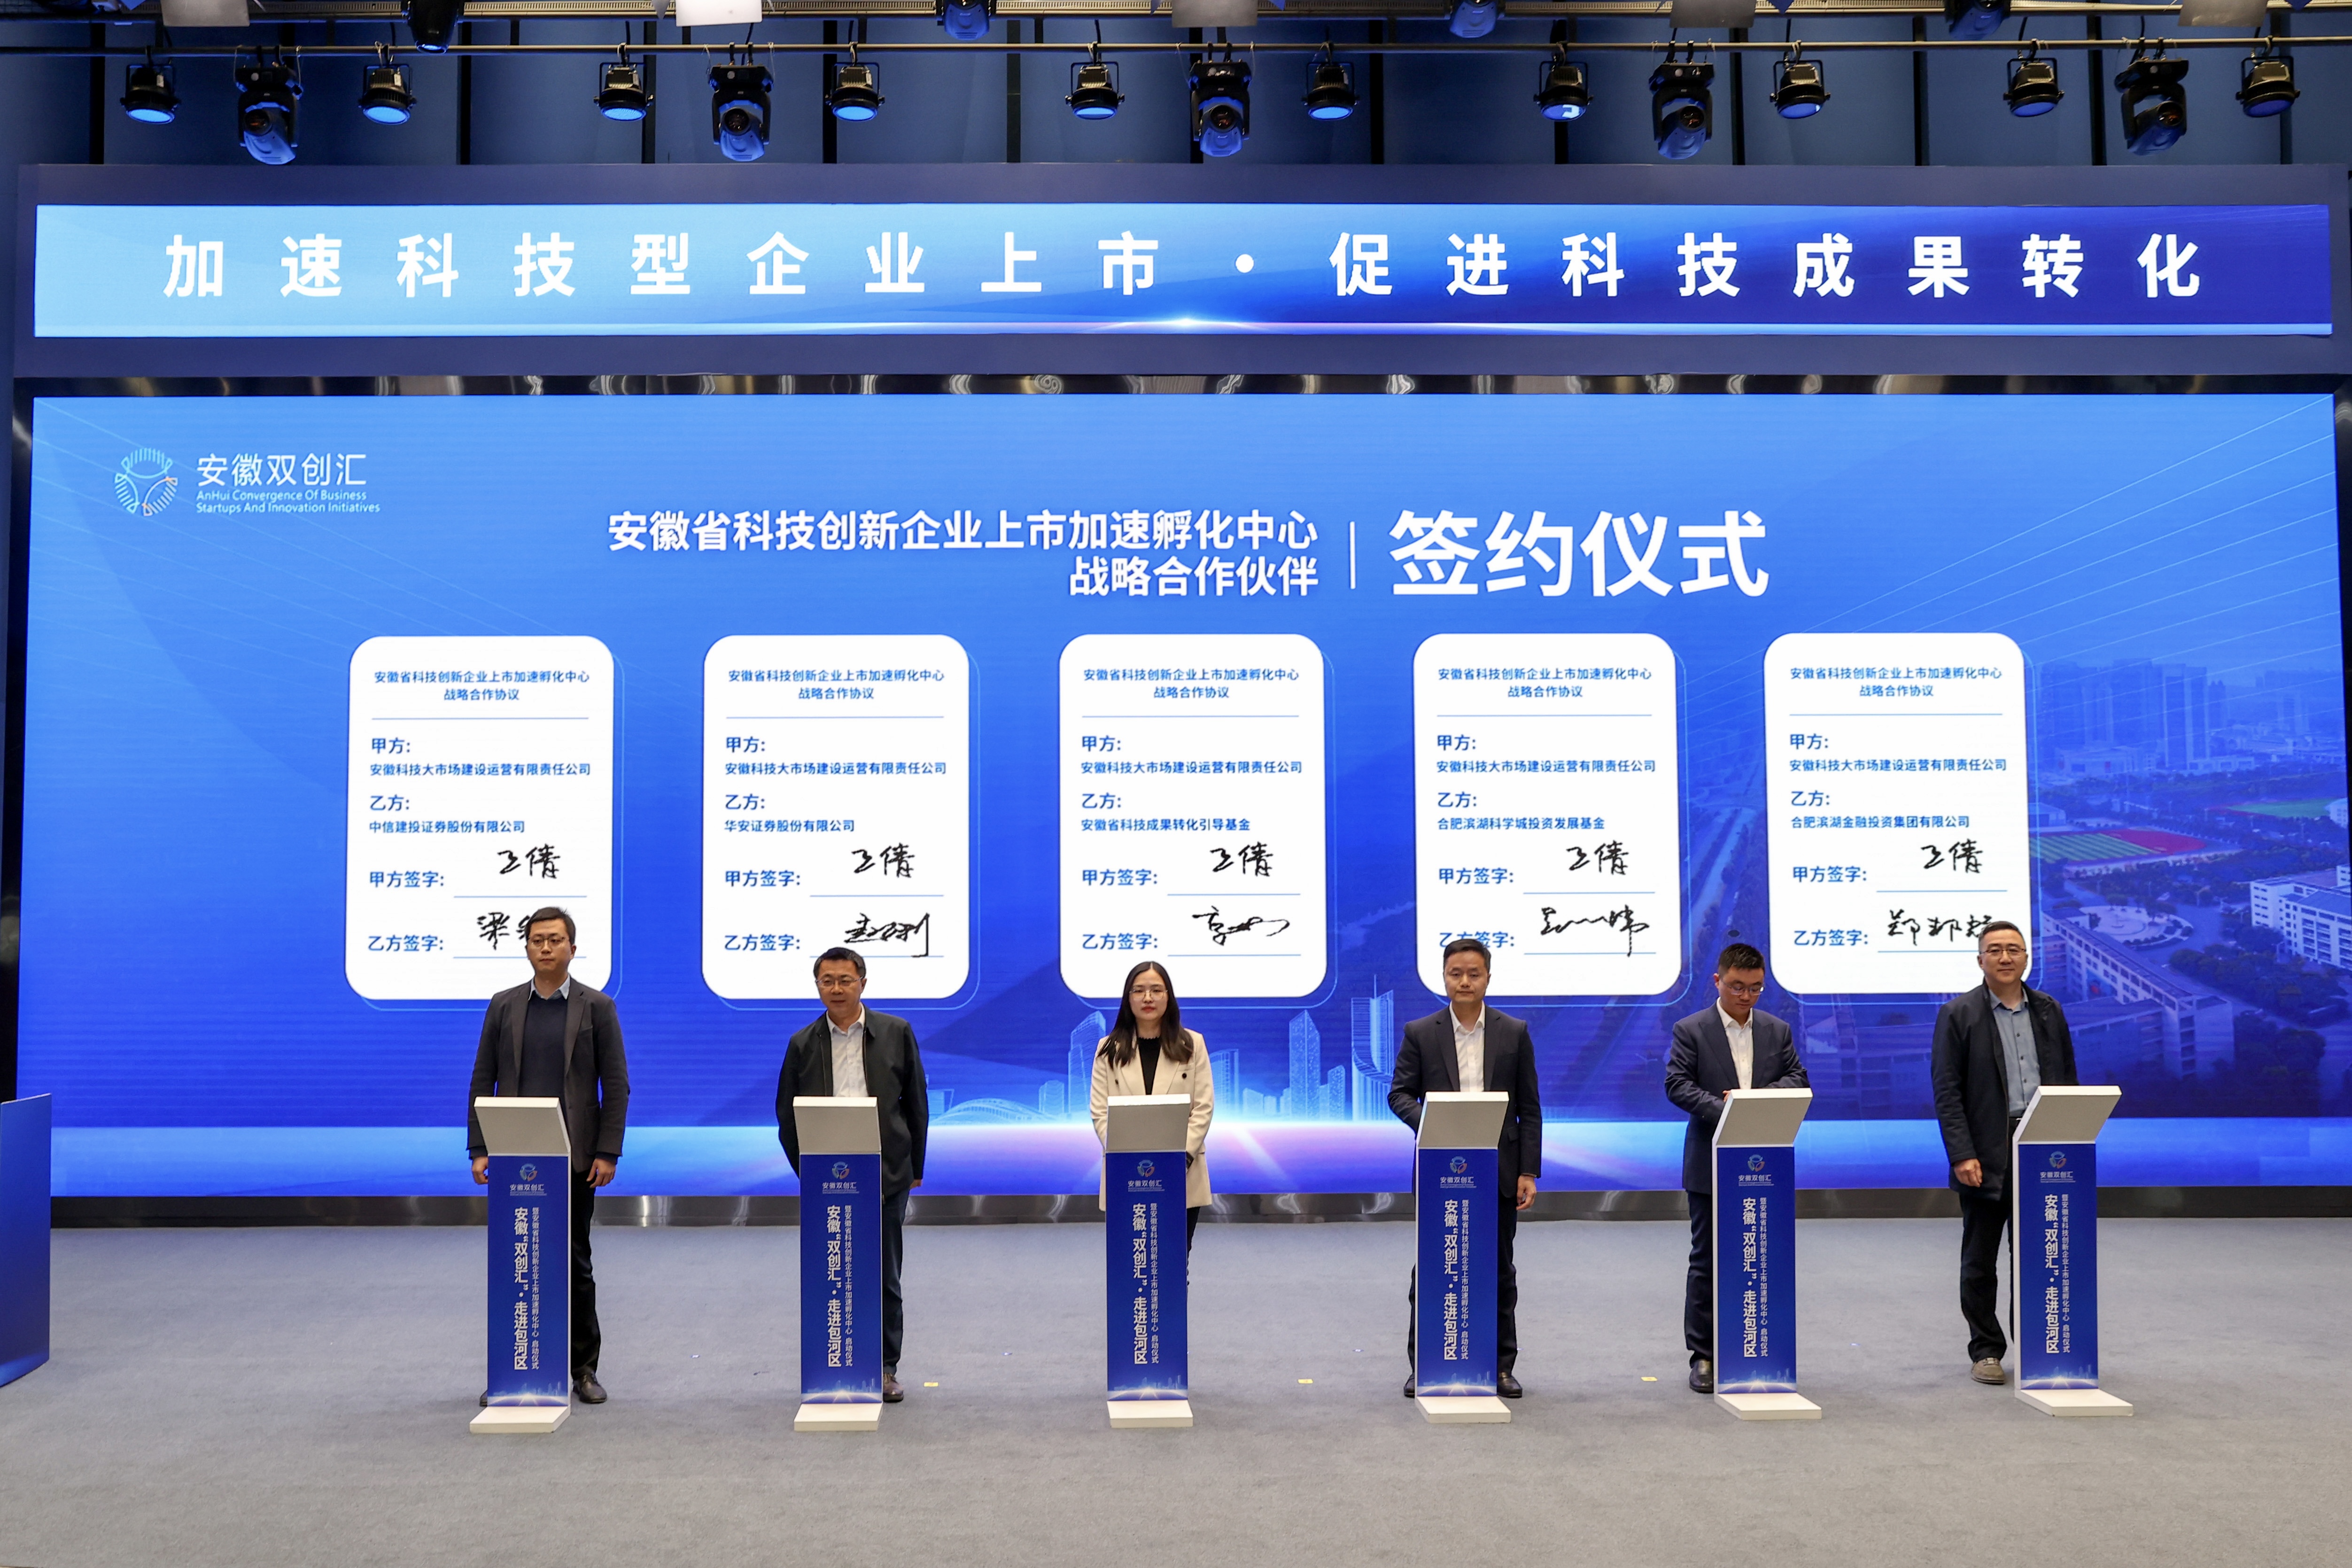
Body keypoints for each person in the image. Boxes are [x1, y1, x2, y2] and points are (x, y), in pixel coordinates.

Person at [466, 906, 629, 1406]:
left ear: (572, 949)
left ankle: (583, 1369)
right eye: (537, 939)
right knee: (516, 1262)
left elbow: (616, 1085)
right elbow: (482, 1077)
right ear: (527, 947)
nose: (545, 947)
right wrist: (480, 1146)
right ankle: (514, 1368)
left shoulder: (597, 1006)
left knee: (575, 1263)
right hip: (516, 1155)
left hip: (575, 1159)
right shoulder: (503, 1005)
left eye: (555, 939)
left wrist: (607, 1151)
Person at [1388, 937, 1542, 1399]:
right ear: (1444, 977)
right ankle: (1424, 1364)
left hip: (1499, 1169)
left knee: (1499, 1269)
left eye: (1474, 973)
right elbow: (1399, 1094)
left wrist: (1528, 1171)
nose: (1465, 981)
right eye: (1456, 973)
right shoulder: (1421, 1032)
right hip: (1441, 1166)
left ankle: (1501, 1366)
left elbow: (1529, 1108)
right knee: (1433, 1267)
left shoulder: (1514, 1031)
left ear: (1488, 977)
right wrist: (1435, 1123)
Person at [777, 946, 929, 1404]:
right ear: (817, 986)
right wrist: (807, 1170)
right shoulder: (803, 1043)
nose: (837, 988)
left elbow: (916, 1103)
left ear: (863, 982)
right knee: (832, 1269)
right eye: (827, 980)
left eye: (845, 979)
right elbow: (786, 1114)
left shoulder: (896, 1032)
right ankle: (833, 1361)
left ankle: (885, 1367)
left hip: (885, 1171)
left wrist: (915, 1166)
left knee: (883, 1273)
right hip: (826, 1175)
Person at [1930, 919, 2079, 1387]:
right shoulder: (1958, 1014)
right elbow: (1947, 1092)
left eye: (2013, 949)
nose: (2005, 957)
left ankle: (2036, 1345)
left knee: (2038, 1253)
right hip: (1985, 1151)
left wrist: (2068, 1140)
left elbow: (2068, 1079)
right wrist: (1962, 1153)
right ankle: (1987, 1349)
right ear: (1980, 960)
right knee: (1980, 1259)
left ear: (2027, 958)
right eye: (1994, 949)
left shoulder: (2049, 1010)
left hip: (2041, 1148)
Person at [1664, 941, 1809, 1396]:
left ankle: (1757, 1348)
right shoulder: (1691, 1029)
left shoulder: (1776, 1030)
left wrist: (1753, 1101)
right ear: (1717, 981)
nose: (1746, 996)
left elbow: (1797, 1078)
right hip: (1710, 1159)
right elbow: (1677, 1084)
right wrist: (1726, 1109)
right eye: (1737, 987)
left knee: (1763, 1255)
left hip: (1764, 1162)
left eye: (1755, 988)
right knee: (1707, 1260)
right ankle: (1703, 1355)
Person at [1089, 961, 1215, 1250]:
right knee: (1132, 1259)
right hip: (1127, 1173)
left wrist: (1180, 1157)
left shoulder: (1192, 1044)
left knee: (1175, 1259)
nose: (1148, 998)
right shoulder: (1108, 1049)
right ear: (1128, 998)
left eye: (1157, 990)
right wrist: (1125, 1157)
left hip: (1182, 1171)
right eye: (1139, 991)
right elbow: (1100, 1112)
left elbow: (1203, 1107)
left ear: (1168, 996)